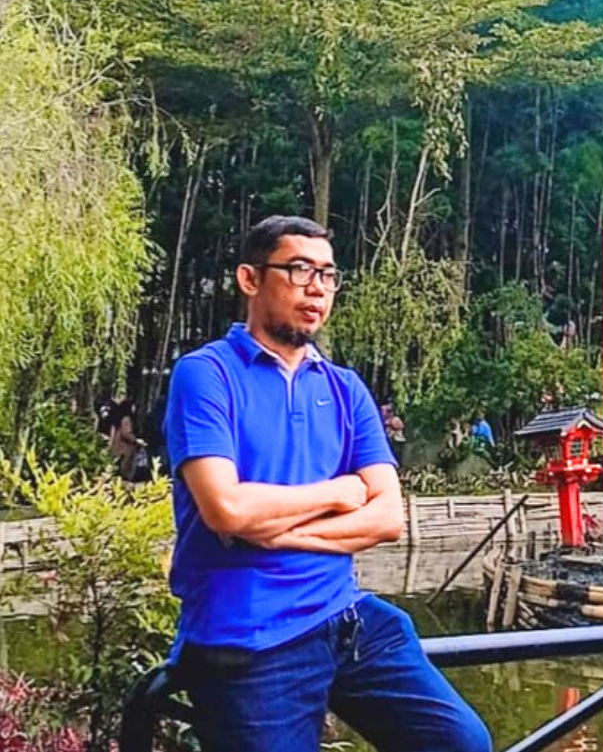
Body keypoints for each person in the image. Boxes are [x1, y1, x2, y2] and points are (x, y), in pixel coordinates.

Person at [164, 216, 490, 752]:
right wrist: (336, 494)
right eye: (299, 270)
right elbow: (225, 508)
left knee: (460, 743)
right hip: (250, 637)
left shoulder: (346, 388)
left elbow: (387, 517)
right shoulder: (207, 374)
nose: (317, 288)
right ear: (250, 279)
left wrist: (275, 531)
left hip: (347, 619)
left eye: (328, 275)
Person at [109, 398, 150, 483]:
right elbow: (126, 433)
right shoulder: (126, 419)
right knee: (125, 471)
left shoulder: (117, 418)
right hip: (125, 449)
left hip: (117, 447)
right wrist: (136, 440)